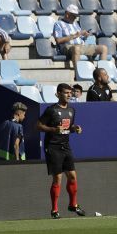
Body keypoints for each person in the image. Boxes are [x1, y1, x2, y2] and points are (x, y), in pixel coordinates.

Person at [37, 84, 85, 219]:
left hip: (65, 146)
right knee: (58, 178)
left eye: (70, 93)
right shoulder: (51, 110)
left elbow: (67, 128)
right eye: (66, 93)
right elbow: (38, 125)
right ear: (58, 94)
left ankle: (73, 205)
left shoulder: (71, 110)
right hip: (53, 146)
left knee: (73, 176)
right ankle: (54, 210)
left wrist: (75, 128)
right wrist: (53, 130)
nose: (69, 95)